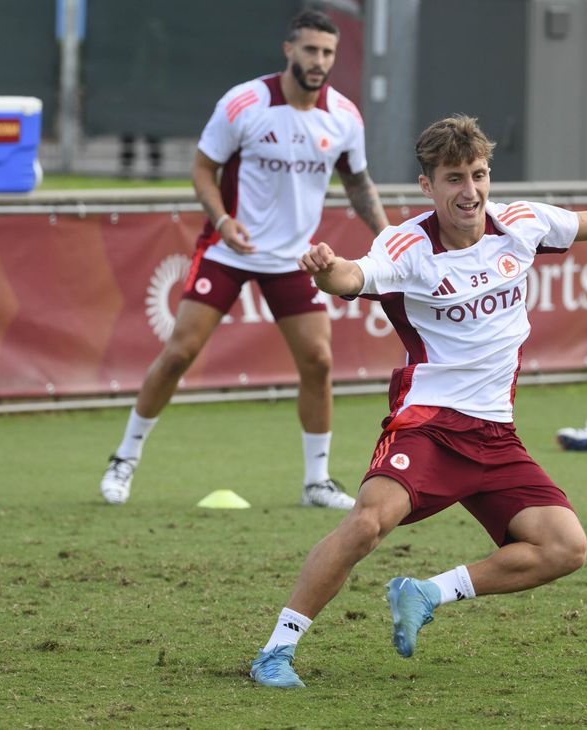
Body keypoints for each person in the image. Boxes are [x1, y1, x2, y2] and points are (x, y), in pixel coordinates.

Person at [247, 115, 587, 688]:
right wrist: (327, 272)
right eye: (454, 178)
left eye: (478, 174)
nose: (470, 191)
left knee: (564, 547)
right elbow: (354, 276)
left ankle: (427, 592)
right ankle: (275, 652)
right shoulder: (408, 246)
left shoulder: (520, 224)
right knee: (367, 525)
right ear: (427, 185)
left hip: (496, 435)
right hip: (428, 426)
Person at [99, 10, 388, 509]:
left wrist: (388, 240)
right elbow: (202, 168)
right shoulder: (244, 103)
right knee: (179, 354)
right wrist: (222, 220)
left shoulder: (344, 116)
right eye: (310, 50)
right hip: (228, 250)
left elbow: (358, 183)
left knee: (319, 361)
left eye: (328, 53)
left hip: (295, 259)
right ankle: (123, 459)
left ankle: (316, 482)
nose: (319, 61)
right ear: (289, 50)